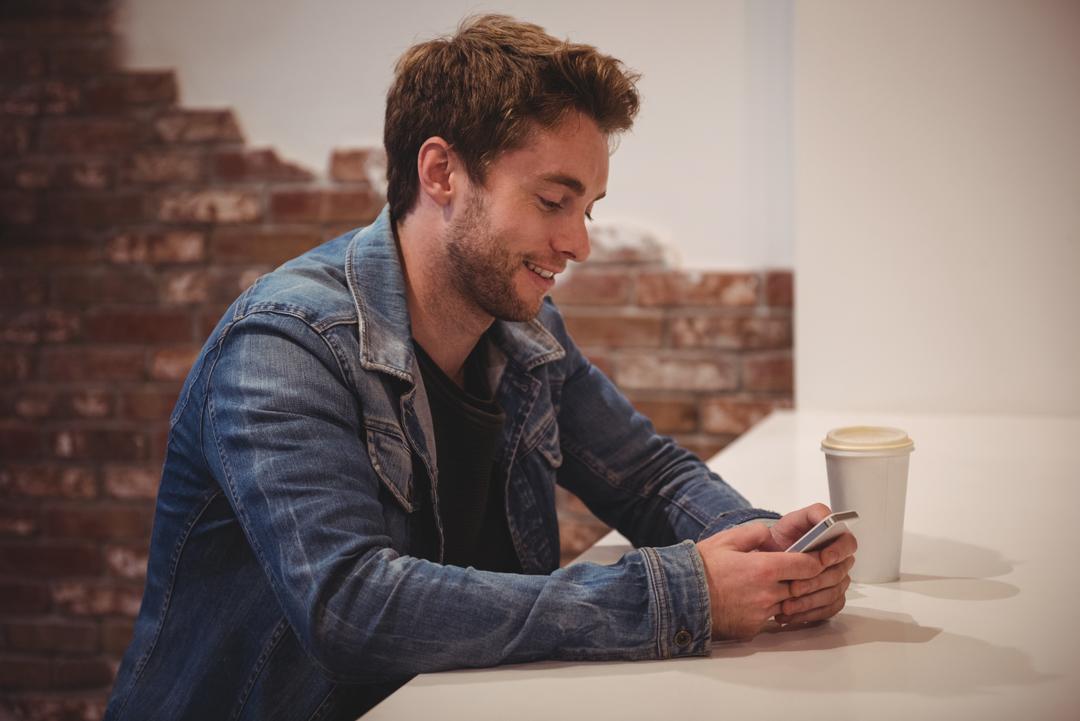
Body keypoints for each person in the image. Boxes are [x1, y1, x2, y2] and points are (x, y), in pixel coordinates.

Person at [104, 14, 855, 721]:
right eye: (554, 200)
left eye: (587, 208)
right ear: (441, 172)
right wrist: (681, 594)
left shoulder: (522, 334)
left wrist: (769, 552)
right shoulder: (285, 344)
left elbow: (648, 475)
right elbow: (350, 606)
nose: (579, 243)